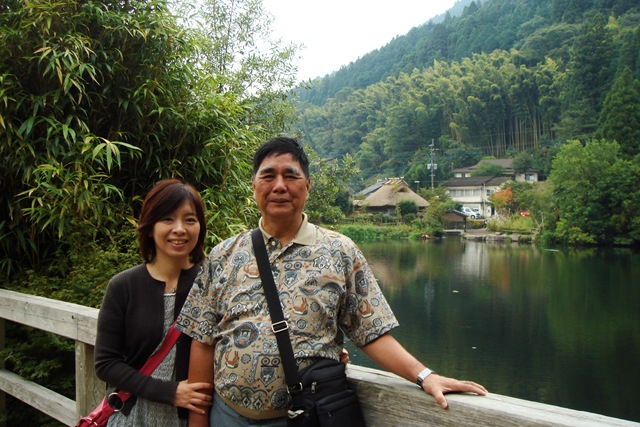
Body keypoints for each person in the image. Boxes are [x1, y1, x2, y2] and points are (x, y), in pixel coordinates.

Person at [176, 137, 487, 427]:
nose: (279, 186)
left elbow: (371, 331)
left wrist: (425, 375)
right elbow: (203, 340)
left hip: (304, 418)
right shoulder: (224, 255)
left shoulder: (340, 251)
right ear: (254, 185)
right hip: (228, 416)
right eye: (268, 176)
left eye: (291, 176)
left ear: (308, 186)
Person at [94, 179, 214, 426]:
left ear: (200, 228)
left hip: (191, 420)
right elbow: (106, 364)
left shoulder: (212, 285)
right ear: (150, 228)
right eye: (167, 219)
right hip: (132, 417)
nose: (179, 229)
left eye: (190, 220)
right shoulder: (123, 286)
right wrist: (170, 392)